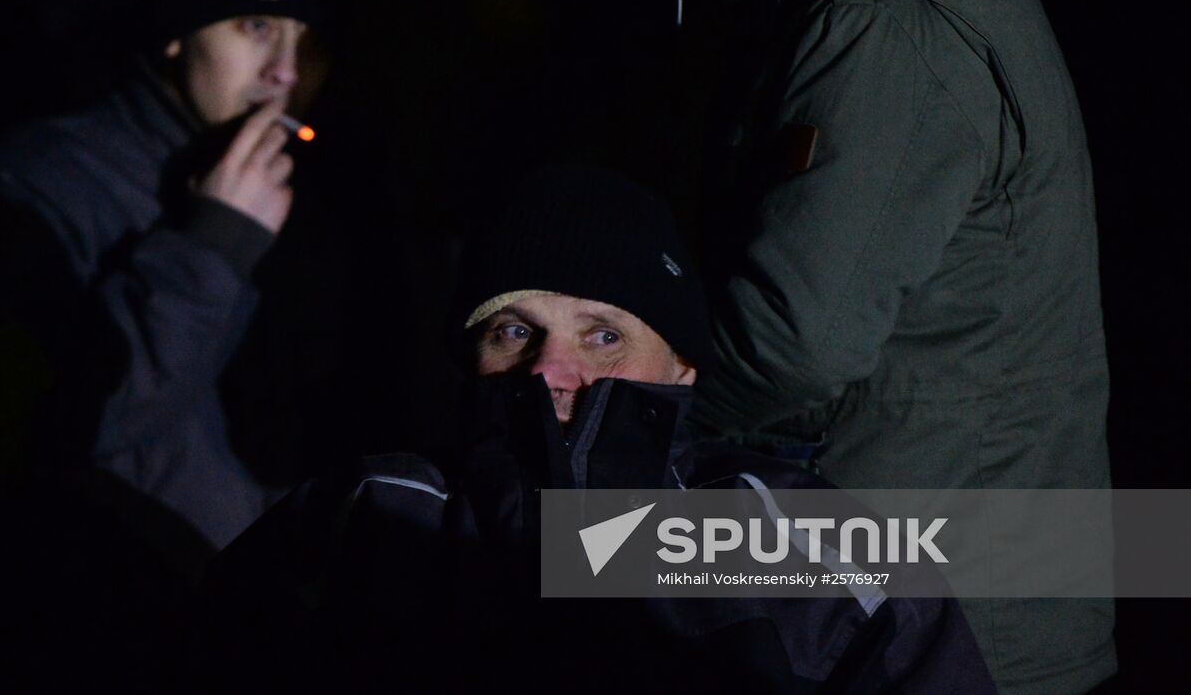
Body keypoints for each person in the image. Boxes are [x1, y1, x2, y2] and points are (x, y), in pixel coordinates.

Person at [651, 0, 1113, 691]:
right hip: (953, 611)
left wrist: (622, 432)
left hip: (948, 633)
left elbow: (791, 347)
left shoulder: (884, 22)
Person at [199, 166, 994, 693]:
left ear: (681, 365)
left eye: (603, 334)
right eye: (512, 330)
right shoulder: (364, 510)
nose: (552, 368)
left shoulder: (804, 535)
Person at [0, 0, 313, 553]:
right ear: (177, 33)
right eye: (257, 28)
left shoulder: (268, 184)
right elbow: (65, 425)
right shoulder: (42, 180)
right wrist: (213, 245)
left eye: (299, 38)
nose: (285, 73)